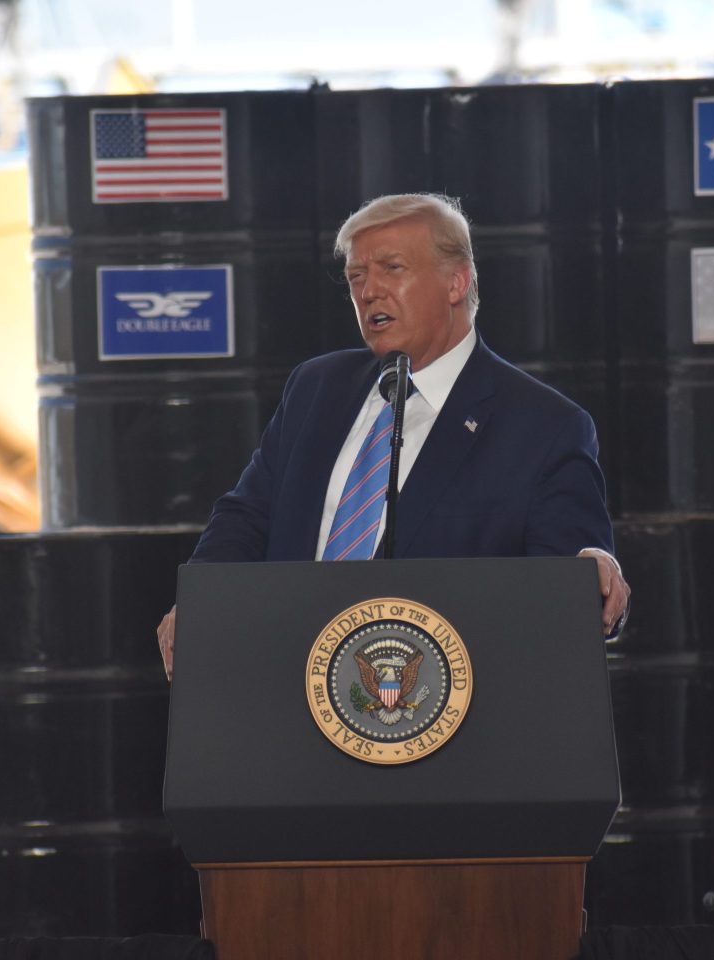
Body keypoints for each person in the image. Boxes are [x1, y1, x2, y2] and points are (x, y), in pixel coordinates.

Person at [157, 193, 628, 679]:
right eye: (356, 276)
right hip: (287, 683)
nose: (368, 292)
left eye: (392, 268)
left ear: (456, 281)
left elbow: (575, 577)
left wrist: (591, 570)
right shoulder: (317, 387)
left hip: (441, 698)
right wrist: (202, 599)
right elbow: (246, 516)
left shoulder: (543, 427)